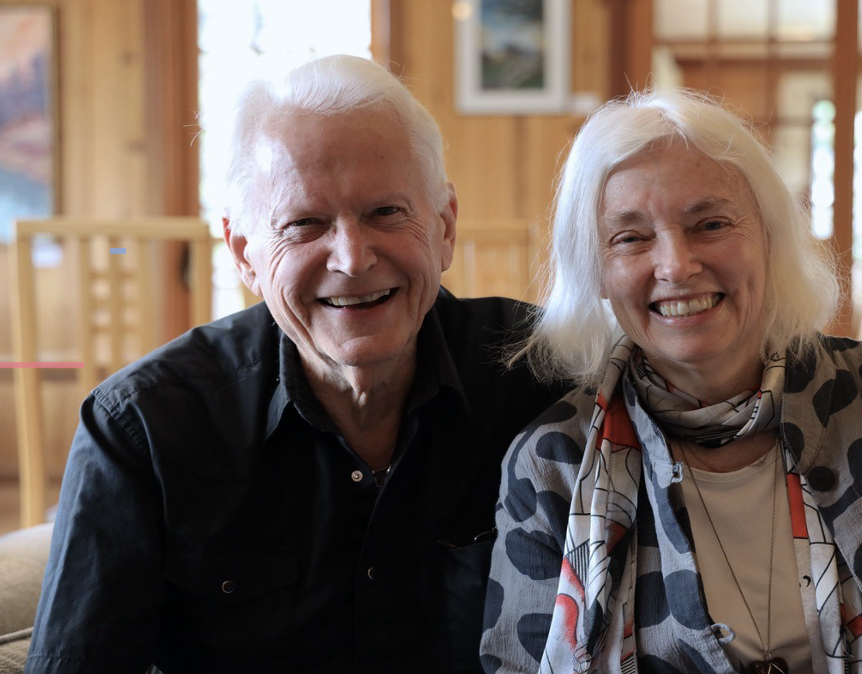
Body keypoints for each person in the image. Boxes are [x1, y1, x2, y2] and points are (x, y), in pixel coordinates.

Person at [25, 55, 567, 674]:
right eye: (304, 223)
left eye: (385, 212)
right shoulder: (144, 428)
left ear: (444, 227)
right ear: (245, 255)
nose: (353, 258)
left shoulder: (545, 377)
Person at [480, 88, 862, 674]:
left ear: (769, 237)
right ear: (598, 271)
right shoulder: (553, 462)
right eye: (631, 237)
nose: (676, 265)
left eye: (710, 223)